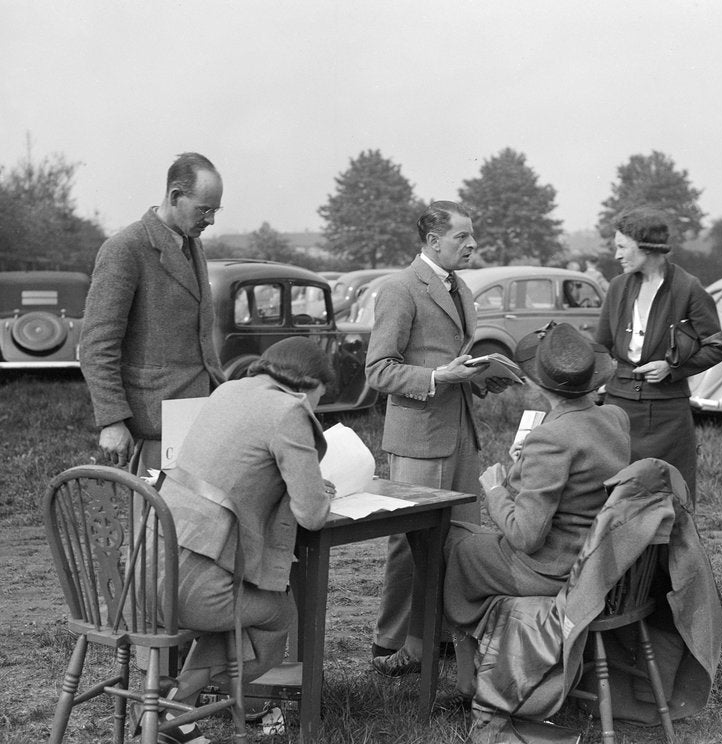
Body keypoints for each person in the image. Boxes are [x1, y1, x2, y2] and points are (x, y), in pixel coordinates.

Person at [154, 337, 336, 744]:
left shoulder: (228, 389)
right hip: (194, 587)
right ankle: (176, 700)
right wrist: (320, 490)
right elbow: (312, 514)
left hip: (145, 569)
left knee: (238, 606)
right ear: (307, 385)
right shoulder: (289, 411)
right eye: (318, 399)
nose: (316, 409)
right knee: (275, 614)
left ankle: (173, 710)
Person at [441, 321, 630, 709]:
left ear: (537, 384)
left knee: (451, 543)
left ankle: (464, 670)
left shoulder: (550, 438)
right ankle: (477, 649)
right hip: (601, 558)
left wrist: (494, 490)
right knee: (462, 537)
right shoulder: (614, 418)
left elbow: (526, 536)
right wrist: (524, 468)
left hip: (555, 570)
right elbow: (579, 487)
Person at [365, 200, 511, 676]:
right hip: (420, 437)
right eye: (462, 237)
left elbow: (452, 361)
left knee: (460, 539)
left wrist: (481, 376)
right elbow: (379, 370)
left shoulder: (460, 287)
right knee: (412, 545)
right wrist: (437, 378)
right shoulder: (400, 289)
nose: (472, 245)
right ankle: (391, 642)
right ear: (432, 241)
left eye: (472, 236)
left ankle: (441, 635)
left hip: (460, 433)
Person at [80, 152, 225, 475]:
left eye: (215, 210)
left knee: (194, 520)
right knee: (152, 522)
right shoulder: (125, 249)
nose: (211, 220)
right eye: (205, 209)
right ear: (175, 196)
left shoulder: (191, 244)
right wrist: (112, 420)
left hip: (196, 415)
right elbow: (96, 345)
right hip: (153, 424)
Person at [594, 206, 722, 504]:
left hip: (669, 416)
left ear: (646, 247)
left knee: (670, 498)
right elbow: (600, 347)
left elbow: (716, 347)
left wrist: (671, 367)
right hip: (620, 411)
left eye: (622, 247)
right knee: (620, 501)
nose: (616, 255)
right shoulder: (617, 287)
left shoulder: (688, 288)